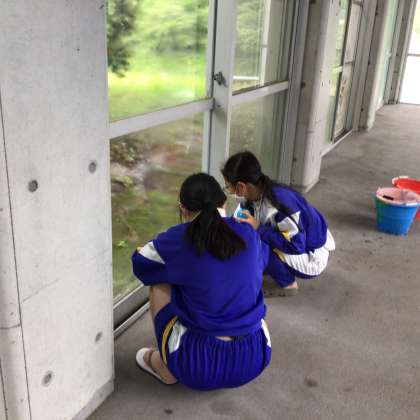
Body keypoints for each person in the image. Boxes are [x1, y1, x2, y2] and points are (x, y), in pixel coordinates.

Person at [131, 173, 271, 390]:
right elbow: (262, 260)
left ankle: (165, 366)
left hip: (198, 367)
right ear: (224, 203)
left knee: (160, 282)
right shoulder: (248, 232)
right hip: (254, 357)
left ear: (183, 209)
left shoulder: (178, 238)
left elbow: (140, 263)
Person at [221, 151, 335, 297]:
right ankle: (273, 268)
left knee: (262, 244)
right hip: (302, 240)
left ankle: (288, 285)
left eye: (227, 187)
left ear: (241, 187)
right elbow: (238, 220)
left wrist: (259, 228)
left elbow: (296, 246)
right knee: (254, 235)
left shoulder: (279, 204)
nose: (227, 191)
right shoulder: (256, 193)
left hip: (313, 253)